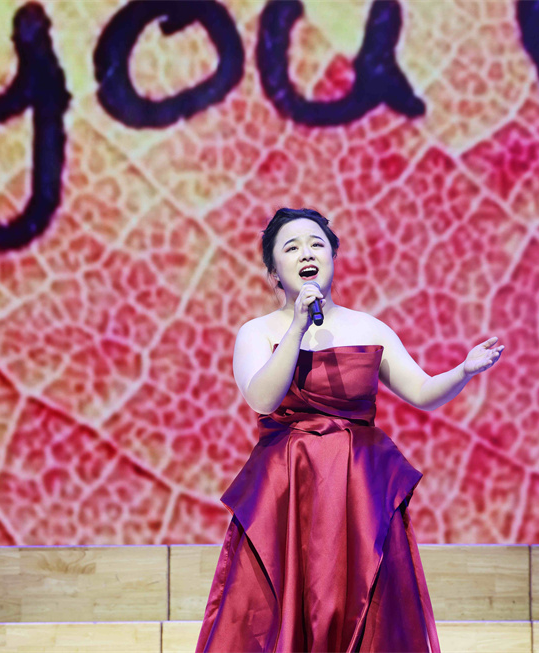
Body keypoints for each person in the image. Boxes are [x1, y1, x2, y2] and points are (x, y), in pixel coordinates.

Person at [195, 208, 505, 653]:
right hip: (288, 491)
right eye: (292, 247)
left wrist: (463, 371)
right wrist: (297, 327)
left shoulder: (368, 328)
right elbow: (262, 398)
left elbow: (421, 391)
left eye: (317, 244)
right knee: (277, 612)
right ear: (274, 272)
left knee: (367, 609)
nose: (307, 253)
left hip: (359, 490)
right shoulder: (257, 332)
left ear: (333, 257)